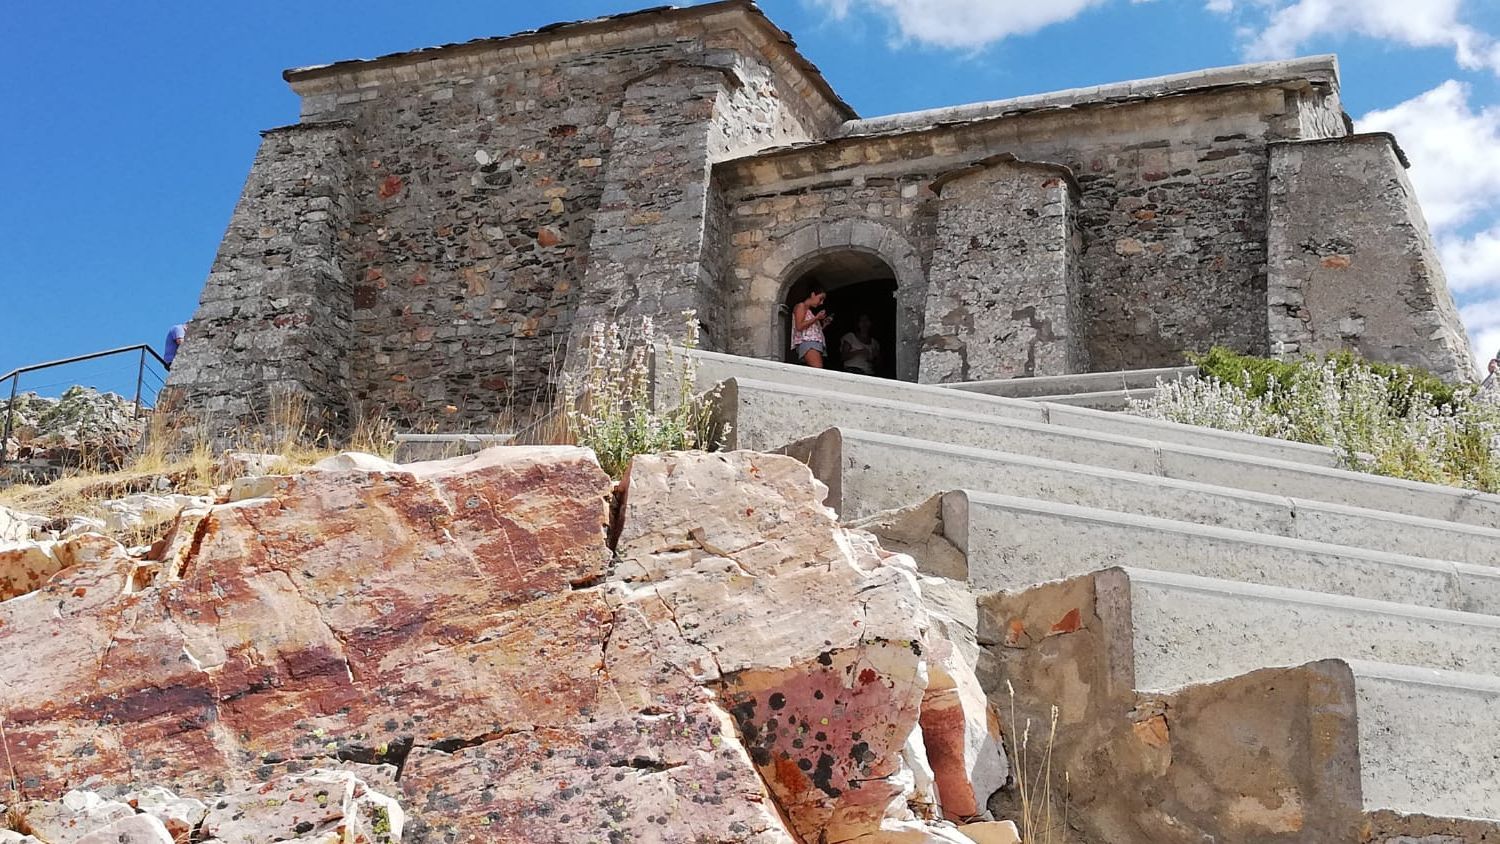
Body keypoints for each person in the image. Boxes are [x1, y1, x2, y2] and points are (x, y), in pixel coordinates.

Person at [789, 284, 832, 368]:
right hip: (808, 344)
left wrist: (823, 325)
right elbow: (799, 326)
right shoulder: (801, 306)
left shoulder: (809, 311)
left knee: (816, 369)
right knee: (818, 369)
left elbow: (810, 332)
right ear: (813, 294)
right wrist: (816, 318)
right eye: (820, 299)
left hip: (812, 343)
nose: (821, 303)